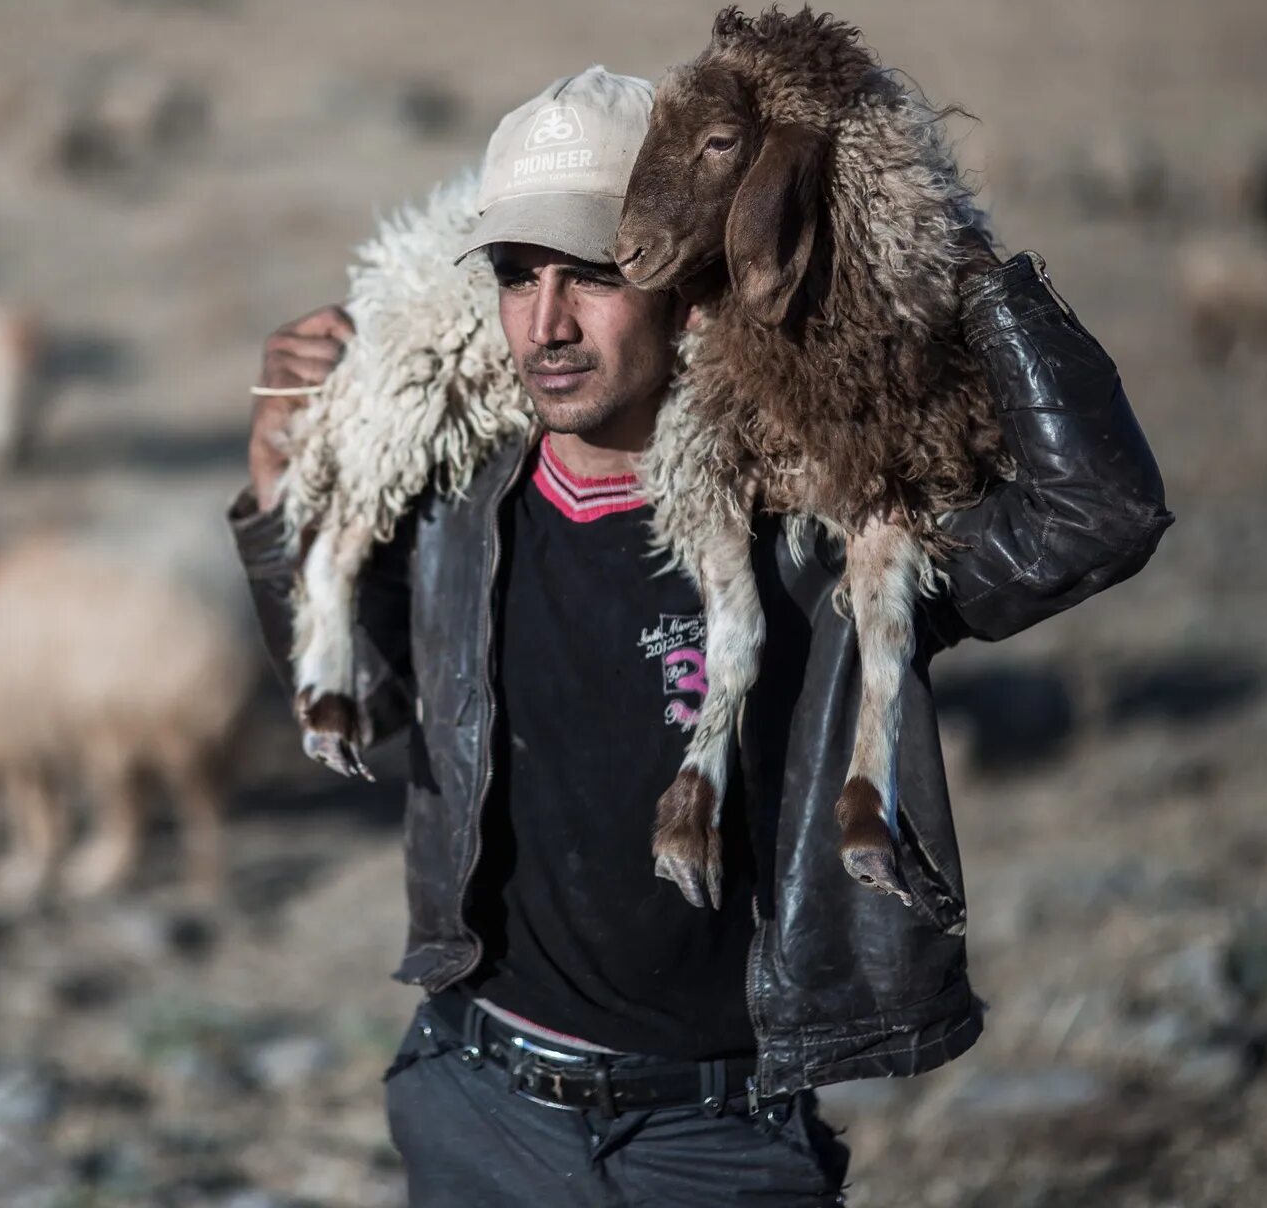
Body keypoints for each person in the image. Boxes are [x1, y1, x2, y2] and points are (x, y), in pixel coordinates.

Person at [228, 67, 1170, 1206]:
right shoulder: (457, 505)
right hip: (480, 1112)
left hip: (720, 1147)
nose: (549, 322)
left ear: (688, 278)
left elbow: (1095, 514)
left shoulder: (820, 528)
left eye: (597, 274)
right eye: (519, 276)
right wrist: (280, 483)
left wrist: (943, 258)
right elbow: (369, 720)